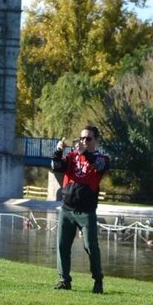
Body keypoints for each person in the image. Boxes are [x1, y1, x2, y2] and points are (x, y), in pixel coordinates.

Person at [51, 124, 111, 294]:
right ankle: (64, 280)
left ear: (96, 141)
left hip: (87, 212)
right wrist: (58, 151)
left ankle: (98, 281)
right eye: (82, 138)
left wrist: (85, 153)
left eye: (88, 139)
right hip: (67, 209)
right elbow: (56, 167)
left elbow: (99, 166)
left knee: (90, 246)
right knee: (62, 245)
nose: (84, 141)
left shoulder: (102, 158)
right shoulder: (71, 157)